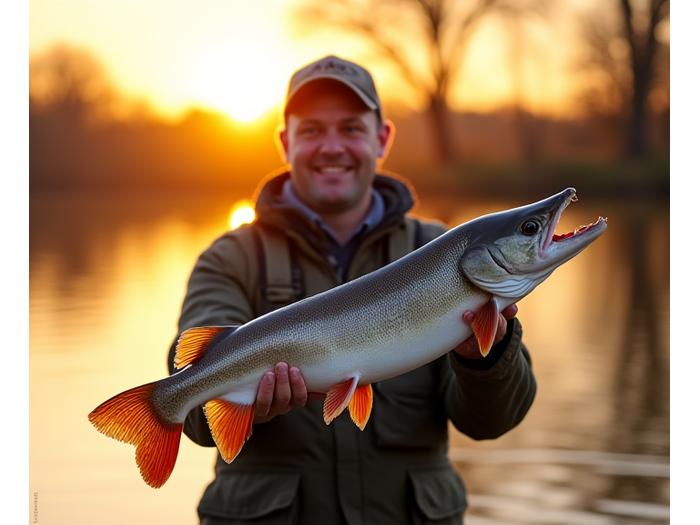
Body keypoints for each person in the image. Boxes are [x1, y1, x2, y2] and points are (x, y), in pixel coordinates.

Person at [168, 55, 536, 525]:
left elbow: (492, 422)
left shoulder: (439, 250)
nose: (332, 146)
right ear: (285, 143)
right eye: (313, 130)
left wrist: (486, 353)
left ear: (382, 139)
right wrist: (242, 404)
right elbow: (199, 418)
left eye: (350, 128)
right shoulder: (230, 259)